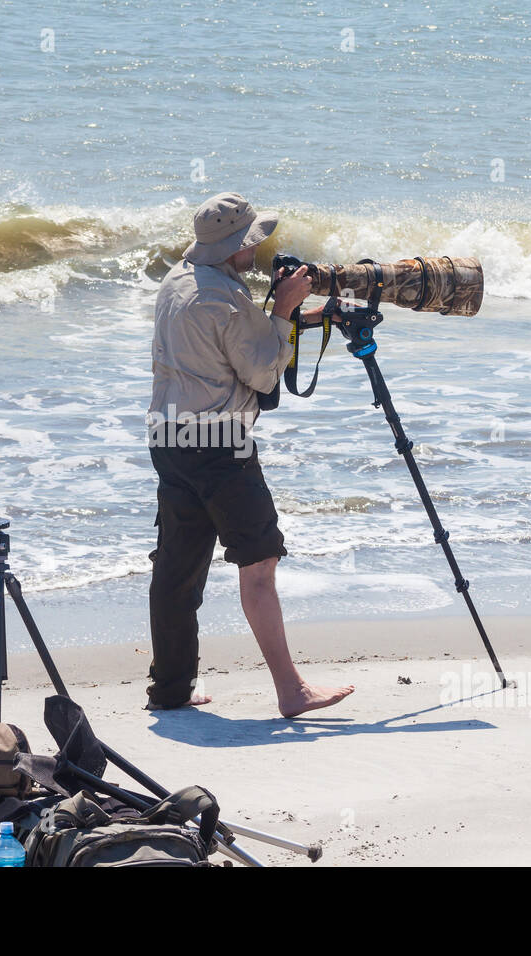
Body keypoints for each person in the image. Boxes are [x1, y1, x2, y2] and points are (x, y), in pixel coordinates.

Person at [145, 192, 355, 717]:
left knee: (177, 572)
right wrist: (283, 309)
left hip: (170, 438)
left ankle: (169, 690)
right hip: (220, 445)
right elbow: (262, 375)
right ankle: (292, 691)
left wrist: (285, 318)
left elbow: (225, 345)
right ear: (238, 246)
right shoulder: (226, 300)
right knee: (258, 565)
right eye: (252, 243)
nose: (257, 251)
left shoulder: (178, 281)